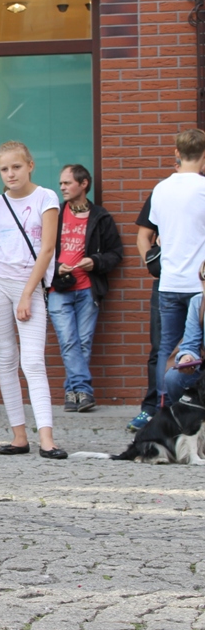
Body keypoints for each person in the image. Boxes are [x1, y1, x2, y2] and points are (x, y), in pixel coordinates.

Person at [0, 142, 65, 459]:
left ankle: (46, 439)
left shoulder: (46, 197)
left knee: (32, 361)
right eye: (5, 169)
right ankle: (19, 436)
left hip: (28, 285)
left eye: (16, 167)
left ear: (30, 165)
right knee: (6, 358)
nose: (10, 173)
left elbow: (47, 250)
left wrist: (26, 293)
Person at [45, 164, 123, 414]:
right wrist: (55, 267)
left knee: (84, 342)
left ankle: (73, 392)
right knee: (69, 341)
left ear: (84, 183)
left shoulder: (100, 217)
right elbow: (38, 250)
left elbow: (116, 254)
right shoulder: (54, 214)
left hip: (88, 287)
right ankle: (84, 391)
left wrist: (95, 262)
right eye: (61, 184)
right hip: (59, 288)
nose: (62, 188)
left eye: (67, 183)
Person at [147, 128, 205, 410]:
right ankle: (194, 406)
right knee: (195, 349)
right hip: (199, 286)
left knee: (167, 349)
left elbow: (158, 231)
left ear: (177, 154)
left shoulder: (160, 189)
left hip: (169, 282)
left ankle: (165, 409)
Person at [129, 193, 161, 431]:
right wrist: (152, 264)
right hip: (168, 283)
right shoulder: (165, 190)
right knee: (160, 348)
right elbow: (143, 236)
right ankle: (151, 409)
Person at [162, 260, 205, 403]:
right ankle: (189, 419)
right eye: (203, 277)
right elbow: (190, 343)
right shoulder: (198, 303)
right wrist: (187, 356)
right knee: (173, 379)